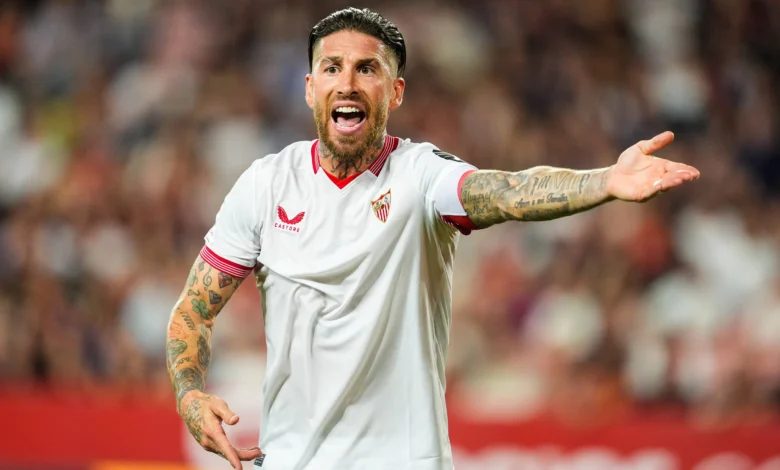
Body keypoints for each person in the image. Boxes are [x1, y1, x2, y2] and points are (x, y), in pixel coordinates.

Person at [164, 7, 700, 470]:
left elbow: (505, 192)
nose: (347, 83)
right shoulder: (265, 185)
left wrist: (604, 181)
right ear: (310, 88)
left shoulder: (421, 176)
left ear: (394, 92)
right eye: (332, 67)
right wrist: (189, 395)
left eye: (367, 69)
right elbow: (193, 310)